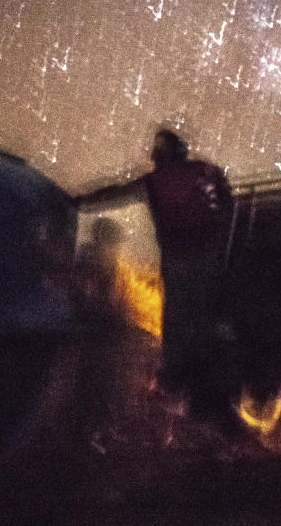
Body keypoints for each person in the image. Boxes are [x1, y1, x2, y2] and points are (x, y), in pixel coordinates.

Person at [73, 129, 232, 413]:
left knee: (177, 319)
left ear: (160, 156)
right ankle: (209, 381)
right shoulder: (205, 170)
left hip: (179, 257)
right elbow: (227, 200)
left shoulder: (155, 181)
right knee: (205, 314)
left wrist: (80, 202)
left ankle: (179, 384)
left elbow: (117, 193)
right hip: (211, 255)